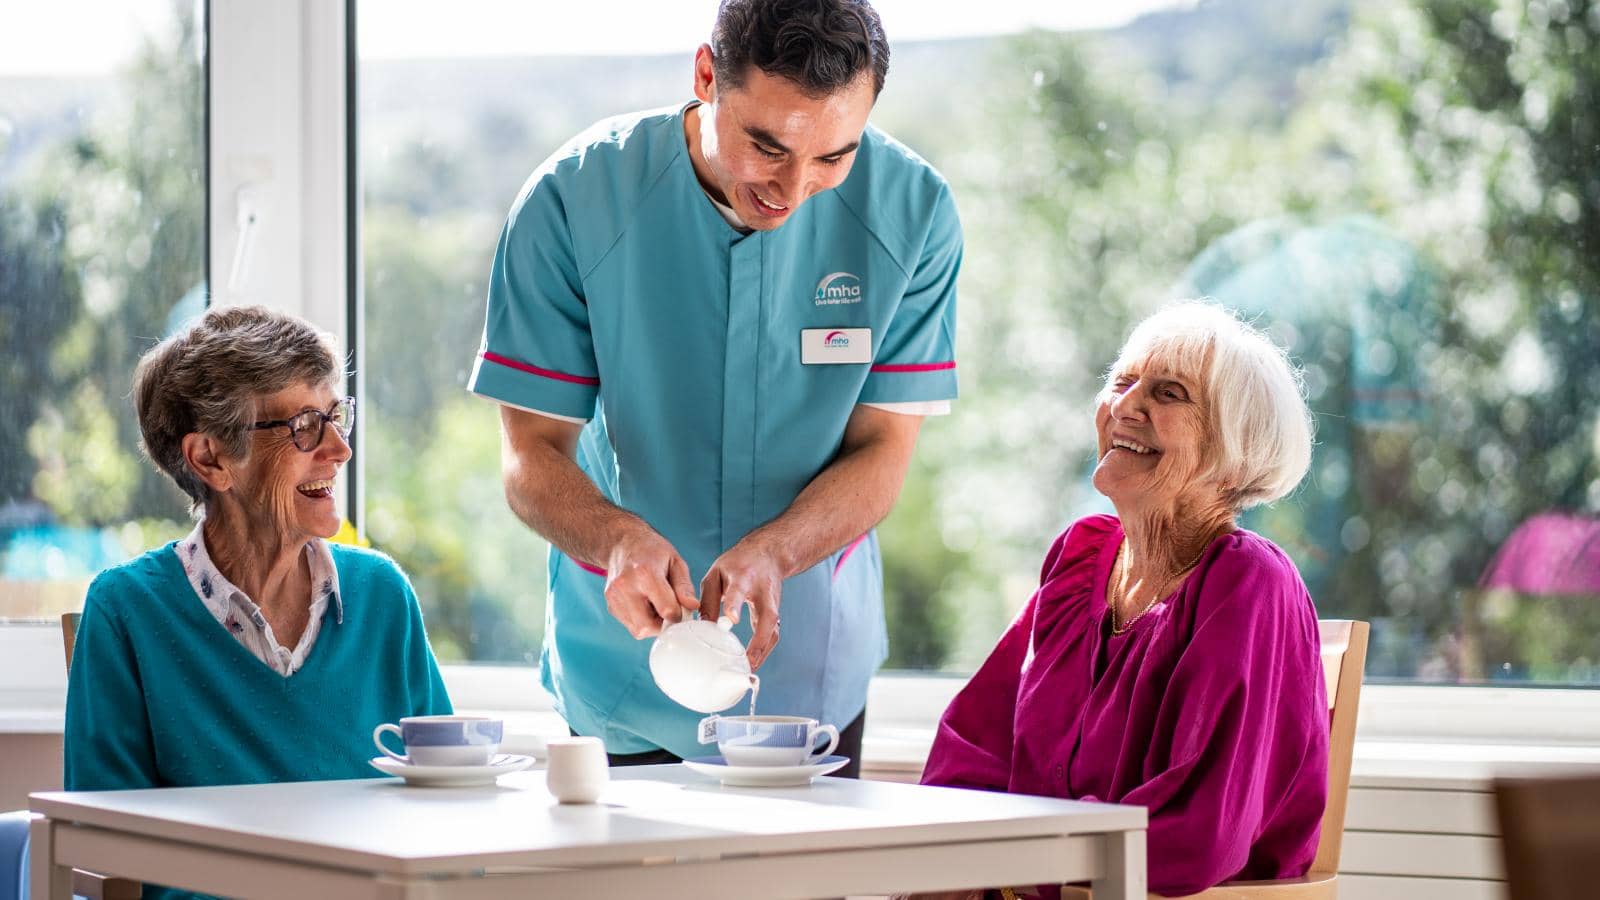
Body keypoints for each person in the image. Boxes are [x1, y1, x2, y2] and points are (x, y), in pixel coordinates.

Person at [468, 0, 960, 774]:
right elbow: (531, 455)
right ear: (706, 76)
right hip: (620, 672)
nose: (793, 190)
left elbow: (883, 451)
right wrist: (616, 540)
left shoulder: (916, 215)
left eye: (833, 157)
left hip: (808, 679)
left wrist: (780, 550)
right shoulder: (572, 199)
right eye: (766, 146)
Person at [916, 303, 1328, 898]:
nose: (1126, 406)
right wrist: (946, 852)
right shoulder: (1083, 558)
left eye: (1168, 393)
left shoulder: (1249, 584)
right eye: (1121, 381)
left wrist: (1001, 864)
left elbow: (1197, 833)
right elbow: (975, 743)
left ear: (1233, 449)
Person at [65, 305, 452, 798]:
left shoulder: (382, 595)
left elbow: (448, 798)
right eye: (305, 425)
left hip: (370, 878)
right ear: (211, 457)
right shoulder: (126, 611)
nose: (339, 449)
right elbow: (102, 847)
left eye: (336, 417)